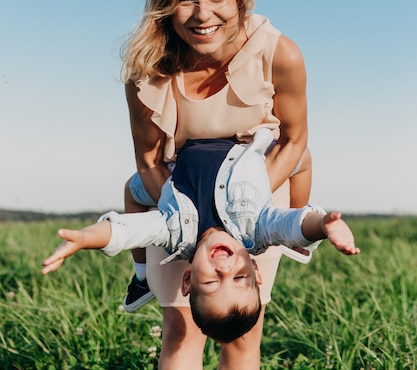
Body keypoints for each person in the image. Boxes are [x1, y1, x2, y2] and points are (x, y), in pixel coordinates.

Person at [117, 0, 316, 369]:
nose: (202, 14)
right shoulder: (145, 73)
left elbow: (294, 140)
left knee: (243, 339)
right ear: (165, 6)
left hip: (257, 195)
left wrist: (240, 203)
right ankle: (144, 278)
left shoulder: (279, 54)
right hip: (179, 195)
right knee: (180, 332)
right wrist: (184, 215)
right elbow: (148, 161)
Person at [42, 128, 359, 344]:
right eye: (240, 279)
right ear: (255, 271)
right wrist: (322, 226)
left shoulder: (175, 233)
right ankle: (299, 247)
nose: (225, 271)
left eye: (210, 283)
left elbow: (127, 231)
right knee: (301, 157)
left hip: (185, 150)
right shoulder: (257, 229)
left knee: (132, 190)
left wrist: (85, 237)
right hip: (241, 147)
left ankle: (141, 275)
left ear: (187, 279)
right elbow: (291, 223)